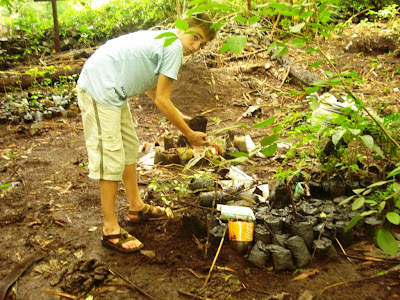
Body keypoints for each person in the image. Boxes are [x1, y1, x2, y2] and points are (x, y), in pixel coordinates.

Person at [76, 14, 217, 253]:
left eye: (201, 44)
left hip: (112, 90)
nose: (195, 46)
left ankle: (136, 206)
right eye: (195, 37)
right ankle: (110, 229)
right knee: (111, 156)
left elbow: (153, 88)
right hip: (100, 88)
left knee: (129, 146)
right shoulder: (173, 47)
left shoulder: (167, 40)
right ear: (181, 26)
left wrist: (179, 115)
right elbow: (163, 100)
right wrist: (190, 135)